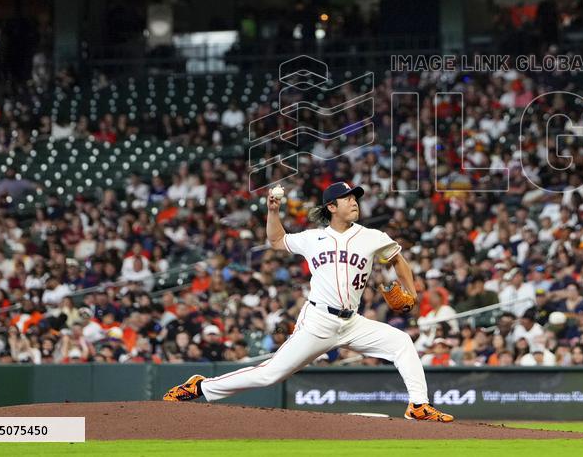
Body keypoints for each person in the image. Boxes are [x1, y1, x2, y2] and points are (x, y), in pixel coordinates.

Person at [163, 181, 454, 422]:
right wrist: (273, 212)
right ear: (331, 207)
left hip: (352, 322)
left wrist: (412, 293)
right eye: (347, 198)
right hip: (319, 320)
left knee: (401, 342)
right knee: (270, 375)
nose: (354, 202)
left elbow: (398, 260)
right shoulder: (312, 238)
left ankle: (418, 405)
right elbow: (276, 241)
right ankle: (201, 386)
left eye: (355, 198)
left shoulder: (372, 237)